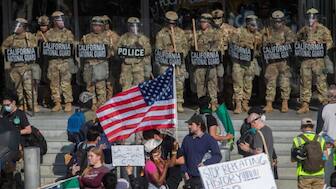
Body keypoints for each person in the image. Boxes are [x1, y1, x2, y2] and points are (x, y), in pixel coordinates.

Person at [296, 8, 333, 114]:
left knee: (321, 81)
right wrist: (303, 43)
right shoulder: (304, 29)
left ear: (317, 17)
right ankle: (305, 104)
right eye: (309, 16)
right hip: (306, 59)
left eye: (313, 16)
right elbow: (297, 39)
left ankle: (325, 104)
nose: (311, 19)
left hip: (318, 60)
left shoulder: (323, 29)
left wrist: (319, 44)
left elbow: (330, 42)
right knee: (304, 81)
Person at [1, 18, 40, 112]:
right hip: (15, 67)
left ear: (24, 27)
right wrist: (8, 53)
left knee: (29, 87)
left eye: (19, 26)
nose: (17, 28)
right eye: (16, 25)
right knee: (18, 88)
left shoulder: (29, 36)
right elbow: (3, 47)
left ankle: (33, 105)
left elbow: (35, 48)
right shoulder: (11, 38)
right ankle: (23, 104)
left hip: (26, 66)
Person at [262, 10, 296, 113]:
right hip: (272, 61)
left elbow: (291, 43)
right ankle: (269, 104)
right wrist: (269, 44)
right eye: (276, 21)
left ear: (283, 21)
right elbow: (262, 43)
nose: (278, 23)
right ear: (272, 21)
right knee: (270, 82)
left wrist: (281, 45)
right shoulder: (267, 30)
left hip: (283, 62)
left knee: (284, 82)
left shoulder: (287, 30)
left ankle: (284, 103)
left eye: (279, 21)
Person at [155, 11, 189, 112]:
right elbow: (158, 50)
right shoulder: (161, 34)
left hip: (178, 63)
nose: (172, 25)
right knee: (166, 84)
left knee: (179, 83)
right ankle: (167, 104)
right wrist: (167, 51)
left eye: (174, 23)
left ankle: (179, 102)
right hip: (165, 63)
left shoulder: (181, 33)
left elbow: (185, 47)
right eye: (170, 23)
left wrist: (179, 53)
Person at [230, 15, 262, 114]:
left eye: (256, 25)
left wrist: (254, 50)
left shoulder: (258, 35)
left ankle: (245, 102)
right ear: (247, 24)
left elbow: (260, 51)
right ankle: (238, 104)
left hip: (250, 63)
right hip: (238, 62)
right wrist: (243, 46)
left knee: (248, 83)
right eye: (252, 25)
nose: (255, 28)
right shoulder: (238, 32)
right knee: (237, 83)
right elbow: (232, 46)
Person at [81, 16, 114, 110]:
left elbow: (111, 53)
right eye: (95, 25)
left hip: (101, 65)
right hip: (89, 65)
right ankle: (92, 105)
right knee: (89, 87)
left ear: (103, 26)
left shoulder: (107, 38)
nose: (97, 27)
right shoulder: (86, 38)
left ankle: (102, 106)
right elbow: (81, 51)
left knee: (101, 87)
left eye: (99, 25)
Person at [181, 114, 222, 188]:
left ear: (199, 125)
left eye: (191, 124)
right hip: (189, 178)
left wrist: (206, 163)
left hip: (204, 178)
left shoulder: (209, 139)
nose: (189, 126)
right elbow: (182, 155)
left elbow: (218, 156)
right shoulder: (187, 139)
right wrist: (184, 171)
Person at [45, 11, 74, 112]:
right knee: (54, 84)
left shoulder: (68, 33)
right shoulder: (48, 33)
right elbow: (44, 47)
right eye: (59, 19)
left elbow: (71, 45)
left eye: (62, 19)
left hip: (64, 62)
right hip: (53, 62)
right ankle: (57, 103)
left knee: (66, 83)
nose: (61, 21)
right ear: (54, 21)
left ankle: (68, 103)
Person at [192, 13, 221, 111]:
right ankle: (202, 104)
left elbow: (218, 47)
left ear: (209, 23)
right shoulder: (196, 33)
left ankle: (213, 103)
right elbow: (191, 45)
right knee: (200, 84)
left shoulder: (215, 33)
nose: (202, 24)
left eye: (204, 22)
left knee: (212, 83)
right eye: (201, 22)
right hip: (199, 64)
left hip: (210, 63)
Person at [117, 17, 152, 91]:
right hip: (126, 66)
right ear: (128, 26)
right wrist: (123, 52)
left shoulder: (142, 38)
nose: (134, 28)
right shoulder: (123, 38)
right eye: (132, 25)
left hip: (138, 65)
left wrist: (139, 47)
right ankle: (127, 102)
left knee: (139, 88)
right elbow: (117, 50)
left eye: (136, 26)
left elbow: (148, 50)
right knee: (125, 87)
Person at [291, 118, 327, 189]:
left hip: (304, 174)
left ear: (302, 127)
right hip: (319, 173)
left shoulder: (297, 139)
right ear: (313, 127)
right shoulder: (321, 139)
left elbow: (293, 159)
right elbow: (325, 157)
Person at [316, 85, 336, 186]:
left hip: (327, 143)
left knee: (326, 168)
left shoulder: (323, 108)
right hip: (327, 143)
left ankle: (326, 185)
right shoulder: (323, 109)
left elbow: (319, 130)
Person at [101, 15, 120, 100]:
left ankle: (109, 100)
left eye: (107, 23)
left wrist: (112, 52)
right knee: (100, 82)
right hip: (99, 63)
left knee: (110, 82)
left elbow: (118, 50)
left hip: (111, 62)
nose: (105, 25)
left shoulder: (114, 35)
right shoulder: (97, 35)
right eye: (103, 23)